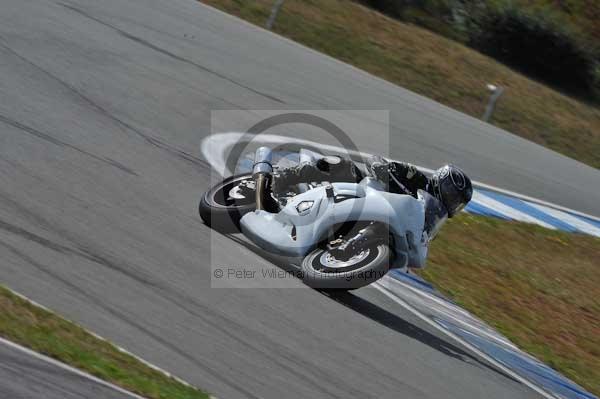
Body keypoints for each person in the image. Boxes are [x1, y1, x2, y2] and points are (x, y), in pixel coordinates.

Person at [273, 153, 473, 219]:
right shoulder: (417, 177)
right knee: (343, 165)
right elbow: (377, 160)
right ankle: (286, 176)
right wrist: (381, 169)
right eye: (453, 196)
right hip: (365, 192)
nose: (453, 203)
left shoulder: (433, 217)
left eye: (458, 203)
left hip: (380, 217)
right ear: (443, 183)